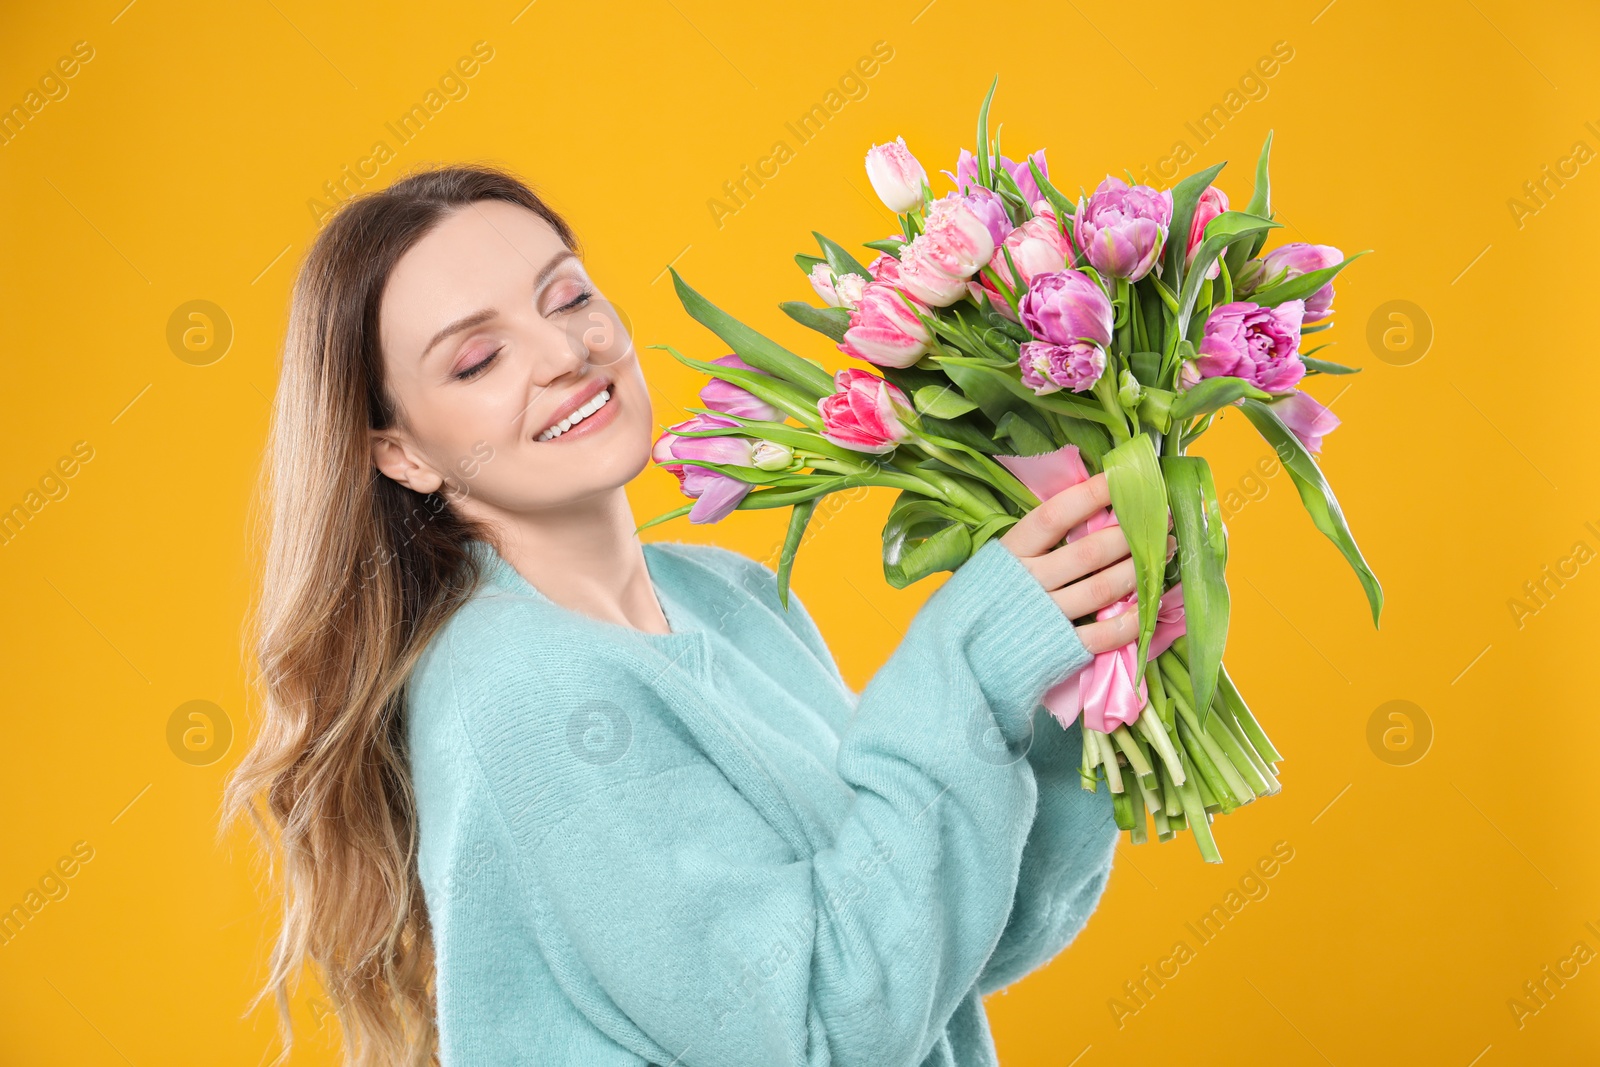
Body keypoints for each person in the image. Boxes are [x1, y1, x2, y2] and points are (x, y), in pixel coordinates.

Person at [223, 163, 1148, 1067]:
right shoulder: (520, 694)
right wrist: (966, 668)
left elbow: (936, 949)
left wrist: (1074, 687)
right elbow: (821, 1036)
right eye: (477, 359)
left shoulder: (726, 594)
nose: (563, 352)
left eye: (567, 297)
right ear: (403, 454)